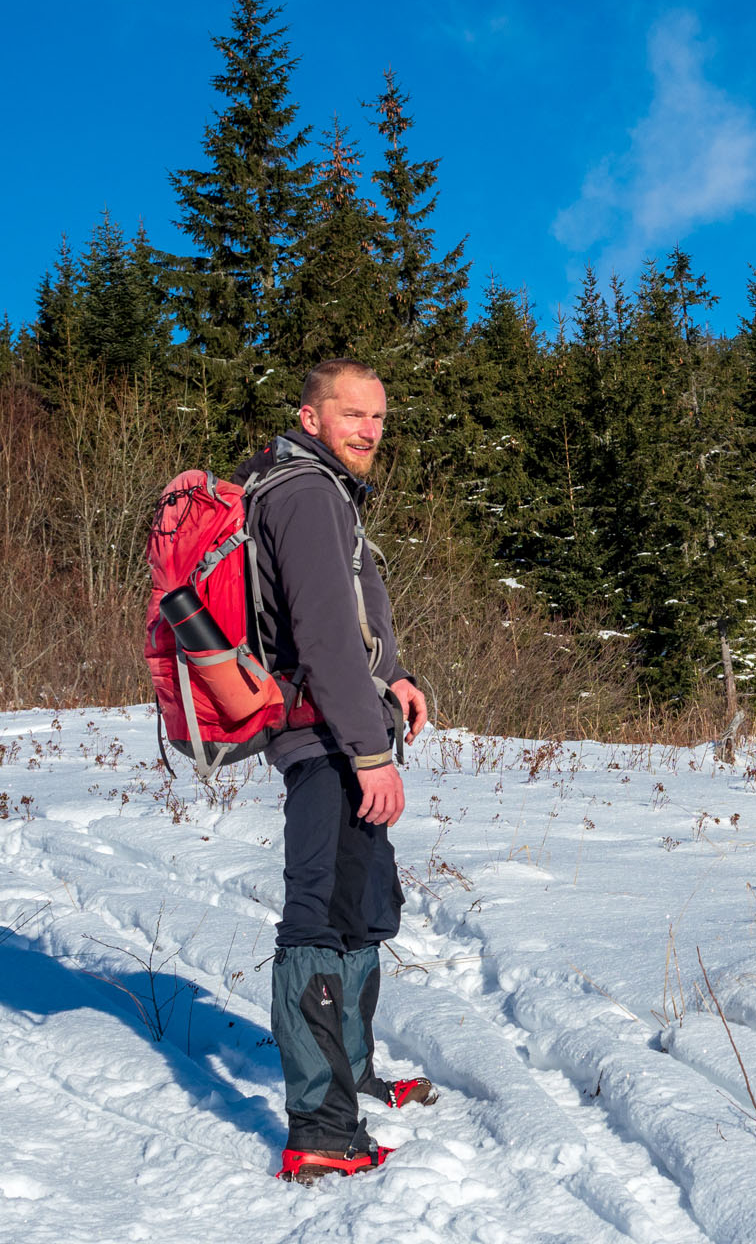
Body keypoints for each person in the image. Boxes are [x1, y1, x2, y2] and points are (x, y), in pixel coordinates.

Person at [236, 358, 436, 1183]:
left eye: (379, 417)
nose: (369, 430)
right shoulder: (307, 493)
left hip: (341, 722)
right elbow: (319, 637)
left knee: (359, 910)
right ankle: (321, 1126)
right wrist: (370, 752)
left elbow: (345, 626)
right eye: (351, 414)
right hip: (326, 739)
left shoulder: (319, 489)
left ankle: (351, 1080)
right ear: (311, 417)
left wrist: (390, 673)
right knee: (315, 916)